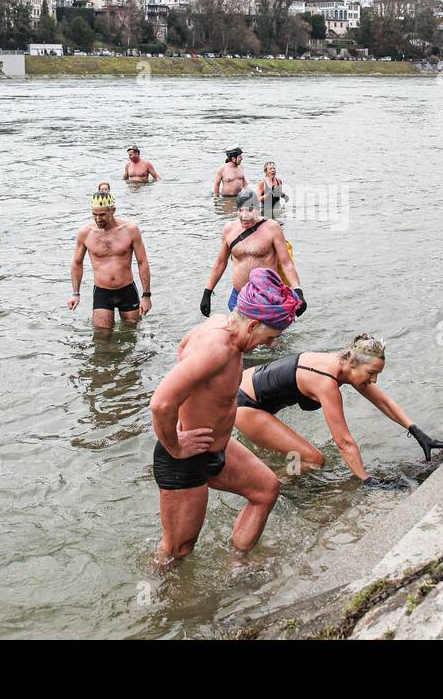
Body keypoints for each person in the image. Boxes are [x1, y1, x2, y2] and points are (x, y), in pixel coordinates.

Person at [150, 268, 300, 568]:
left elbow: (182, 348)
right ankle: (160, 602)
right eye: (270, 337)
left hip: (217, 446)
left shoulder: (220, 323)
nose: (270, 345)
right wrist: (175, 445)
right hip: (186, 459)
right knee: (177, 550)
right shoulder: (216, 349)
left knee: (266, 489)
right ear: (254, 323)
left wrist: (197, 407)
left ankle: (237, 565)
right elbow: (161, 403)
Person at [235, 334, 443, 482]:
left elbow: (384, 402)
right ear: (352, 363)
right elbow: (344, 442)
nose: (375, 380)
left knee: (276, 455)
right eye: (371, 373)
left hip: (253, 393)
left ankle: (266, 476)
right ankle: (273, 485)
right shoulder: (326, 381)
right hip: (244, 403)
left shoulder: (344, 365)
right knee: (314, 459)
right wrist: (367, 481)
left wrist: (418, 433)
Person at [201, 189, 305, 317]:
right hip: (239, 295)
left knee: (271, 336)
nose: (244, 215)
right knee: (239, 335)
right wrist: (207, 292)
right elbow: (221, 262)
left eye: (250, 210)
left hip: (267, 297)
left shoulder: (272, 228)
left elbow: (286, 263)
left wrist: (298, 291)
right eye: (240, 210)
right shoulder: (229, 230)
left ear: (258, 209)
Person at [67, 192, 152, 328]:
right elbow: (77, 263)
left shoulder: (130, 230)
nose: (98, 219)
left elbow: (142, 262)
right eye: (94, 214)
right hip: (102, 292)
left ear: (113, 210)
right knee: (102, 337)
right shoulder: (85, 233)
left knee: (131, 333)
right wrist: (75, 294)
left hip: (127, 290)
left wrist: (146, 296)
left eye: (102, 215)